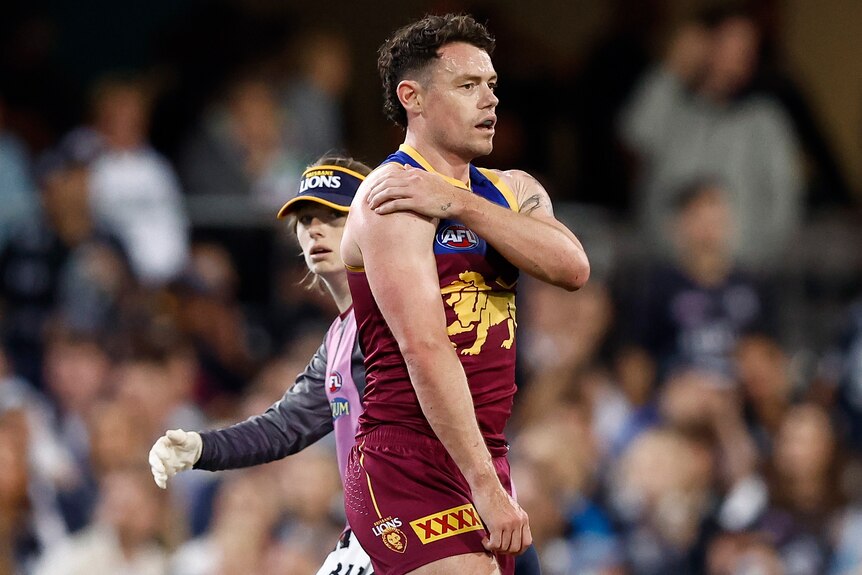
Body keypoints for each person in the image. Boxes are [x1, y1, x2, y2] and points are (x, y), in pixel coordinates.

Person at [339, 14, 589, 575]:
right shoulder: (391, 194)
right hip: (407, 456)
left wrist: (458, 202)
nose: (490, 101)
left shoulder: (511, 188)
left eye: (492, 85)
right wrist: (484, 483)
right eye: (467, 86)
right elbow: (424, 348)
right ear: (413, 97)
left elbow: (572, 267)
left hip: (483, 449)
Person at [148, 156, 376, 574]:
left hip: (418, 529)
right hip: (376, 532)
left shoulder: (393, 319)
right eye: (306, 220)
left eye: (334, 216)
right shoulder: (342, 335)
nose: (315, 230)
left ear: (371, 223)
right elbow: (284, 425)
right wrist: (204, 447)